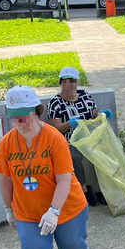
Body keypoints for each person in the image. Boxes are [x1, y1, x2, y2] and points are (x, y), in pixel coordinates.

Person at [0, 85, 95, 249]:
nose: (21, 121)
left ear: (37, 111)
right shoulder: (6, 144)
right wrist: (8, 208)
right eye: (15, 116)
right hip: (28, 213)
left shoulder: (53, 138)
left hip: (67, 208)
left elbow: (64, 180)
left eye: (25, 115)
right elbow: (5, 179)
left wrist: (54, 211)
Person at [46, 66, 112, 206]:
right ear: (60, 83)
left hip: (89, 137)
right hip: (69, 141)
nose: (69, 84)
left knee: (102, 152)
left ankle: (102, 189)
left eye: (72, 81)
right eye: (65, 81)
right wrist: (69, 124)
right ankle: (84, 189)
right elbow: (55, 129)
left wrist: (102, 114)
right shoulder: (55, 103)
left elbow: (94, 114)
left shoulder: (84, 95)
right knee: (74, 157)